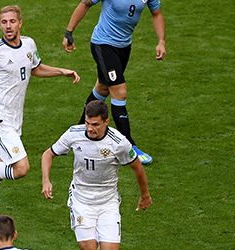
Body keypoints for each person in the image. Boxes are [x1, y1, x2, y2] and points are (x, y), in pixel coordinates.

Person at [0, 5, 81, 235]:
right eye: (4, 22)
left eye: (12, 21)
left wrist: (62, 71)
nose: (8, 26)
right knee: (20, 168)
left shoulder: (29, 44)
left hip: (14, 120)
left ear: (20, 23)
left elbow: (35, 68)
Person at [41, 100, 152, 250]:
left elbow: (137, 168)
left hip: (107, 201)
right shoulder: (74, 134)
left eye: (95, 124)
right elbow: (48, 154)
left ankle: (97, 235)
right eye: (87, 123)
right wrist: (46, 181)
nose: (90, 128)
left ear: (106, 122)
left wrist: (145, 195)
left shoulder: (118, 143)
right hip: (81, 198)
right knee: (89, 249)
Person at [62, 0, 166, 165]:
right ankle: (130, 147)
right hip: (103, 44)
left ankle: (76, 134)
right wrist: (69, 32)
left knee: (103, 89)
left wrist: (161, 41)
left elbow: (157, 13)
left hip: (124, 47)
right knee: (119, 91)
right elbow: (85, 3)